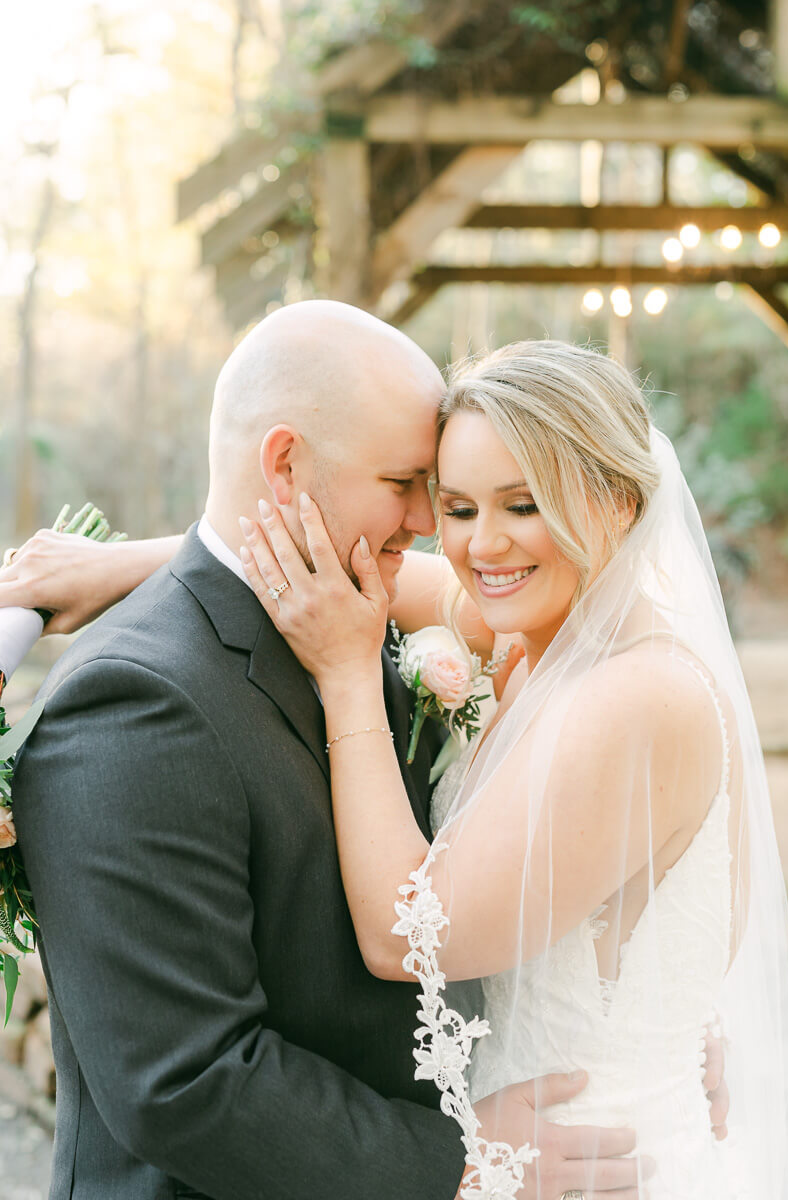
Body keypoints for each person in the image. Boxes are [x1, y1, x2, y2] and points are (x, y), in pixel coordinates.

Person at [4, 305, 659, 1200]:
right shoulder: (136, 698)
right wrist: (462, 1164)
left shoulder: (357, 617)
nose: (434, 524)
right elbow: (185, 1081)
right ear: (284, 465)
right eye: (405, 480)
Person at [232, 339, 788, 1198]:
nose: (483, 545)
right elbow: (373, 578)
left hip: (603, 1170)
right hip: (512, 1159)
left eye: (524, 504)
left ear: (618, 500)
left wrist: (348, 675)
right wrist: (112, 569)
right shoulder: (541, 639)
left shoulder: (638, 696)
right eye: (457, 509)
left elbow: (405, 936)